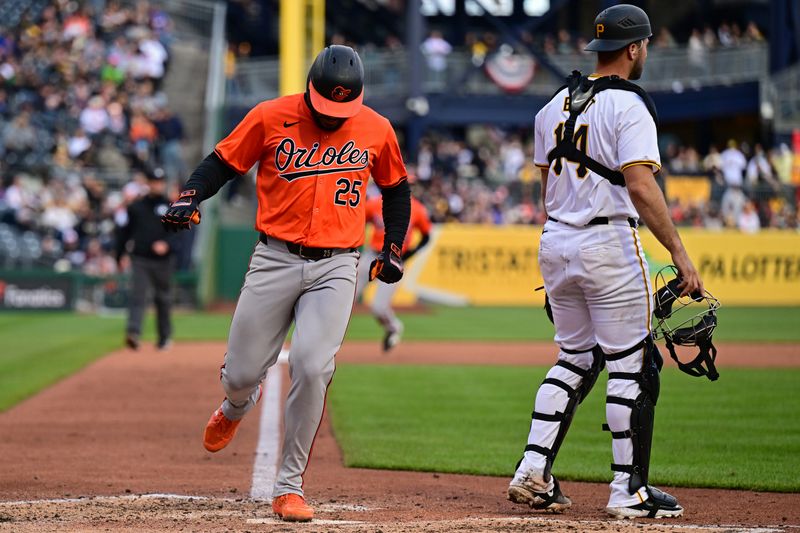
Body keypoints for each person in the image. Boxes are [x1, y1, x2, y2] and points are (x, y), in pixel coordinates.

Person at [161, 45, 410, 522]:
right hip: (274, 256)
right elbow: (222, 163)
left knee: (313, 367)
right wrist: (190, 196)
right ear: (311, 88)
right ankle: (237, 405)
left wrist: (392, 247)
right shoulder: (271, 115)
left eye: (343, 109)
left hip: (337, 265)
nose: (334, 116)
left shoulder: (376, 128)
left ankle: (289, 485)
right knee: (239, 374)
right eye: (326, 106)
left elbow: (396, 189)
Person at [507, 4, 703, 520]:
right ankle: (628, 491)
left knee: (575, 358)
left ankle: (533, 469)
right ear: (634, 48)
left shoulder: (550, 106)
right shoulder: (630, 106)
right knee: (632, 365)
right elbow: (640, 184)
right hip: (607, 241)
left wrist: (561, 261)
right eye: (646, 46)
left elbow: (547, 185)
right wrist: (681, 254)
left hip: (557, 239)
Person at [356, 179, 432, 351]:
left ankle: (393, 327)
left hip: (394, 260)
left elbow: (427, 236)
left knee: (379, 308)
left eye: (411, 184)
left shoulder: (417, 209)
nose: (408, 187)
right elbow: (358, 221)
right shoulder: (376, 204)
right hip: (372, 256)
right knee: (346, 294)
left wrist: (407, 255)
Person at [115, 169, 175, 351]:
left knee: (162, 298)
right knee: (138, 296)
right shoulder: (136, 207)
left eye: (160, 181)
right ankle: (133, 332)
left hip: (163, 260)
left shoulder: (171, 206)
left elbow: (180, 233)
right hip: (140, 258)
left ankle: (164, 337)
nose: (157, 184)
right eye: (154, 181)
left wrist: (167, 244)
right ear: (148, 183)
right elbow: (124, 233)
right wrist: (120, 254)